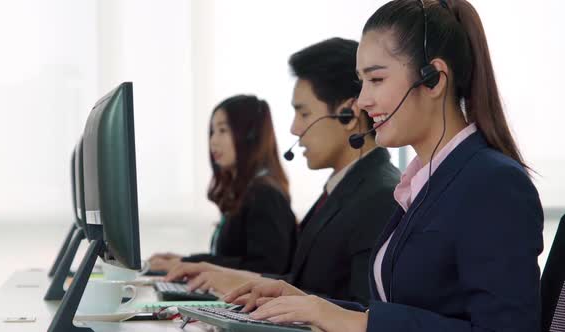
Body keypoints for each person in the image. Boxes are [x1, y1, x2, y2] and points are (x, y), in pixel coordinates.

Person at [222, 1, 544, 331]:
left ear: (433, 80)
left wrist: (352, 322)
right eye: (361, 82)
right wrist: (312, 304)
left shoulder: (493, 183)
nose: (362, 101)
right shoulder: (424, 181)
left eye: (376, 79)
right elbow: (402, 310)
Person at [165, 38, 400, 305]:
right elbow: (302, 286)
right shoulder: (342, 190)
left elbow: (365, 314)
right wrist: (226, 275)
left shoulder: (380, 196)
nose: (294, 129)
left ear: (348, 114)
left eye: (303, 113)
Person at [149, 95, 297, 275]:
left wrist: (192, 264)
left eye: (222, 130)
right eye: (212, 131)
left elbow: (266, 269)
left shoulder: (265, 195)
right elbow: (235, 260)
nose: (213, 141)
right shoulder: (247, 192)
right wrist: (184, 262)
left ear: (250, 135)